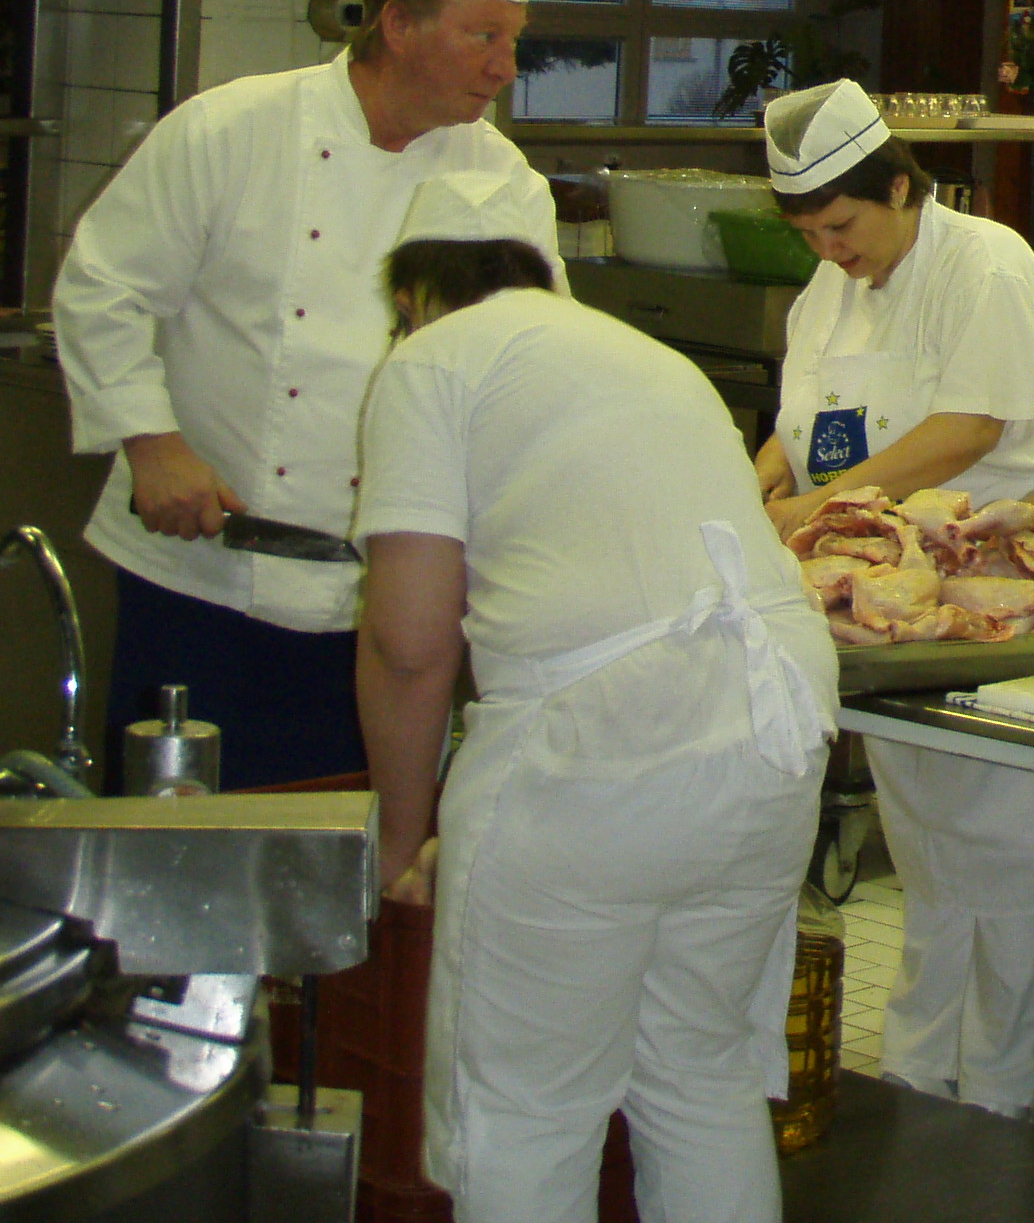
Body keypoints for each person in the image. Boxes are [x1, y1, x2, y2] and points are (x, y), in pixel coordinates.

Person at [353, 172, 837, 1223]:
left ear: (413, 297)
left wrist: (401, 840)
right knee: (701, 1075)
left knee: (525, 1109)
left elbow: (407, 643)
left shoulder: (431, 360)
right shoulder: (644, 356)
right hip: (771, 727)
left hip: (599, 744)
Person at [54, 0, 561, 788]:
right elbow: (102, 287)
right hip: (199, 580)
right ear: (399, 24)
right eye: (483, 36)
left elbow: (533, 373)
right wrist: (151, 443)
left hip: (382, 599)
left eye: (514, 38)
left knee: (348, 850)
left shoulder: (505, 184)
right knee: (178, 850)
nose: (506, 68)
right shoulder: (232, 131)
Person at [749, 78, 1034, 1118]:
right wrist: (759, 486)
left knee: (1005, 859)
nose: (829, 250)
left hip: (993, 589)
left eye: (841, 226)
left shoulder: (986, 263)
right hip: (887, 596)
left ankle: (997, 1099)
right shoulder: (828, 289)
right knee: (929, 853)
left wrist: (818, 506)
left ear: (899, 187)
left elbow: (969, 429)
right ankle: (917, 1080)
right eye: (809, 234)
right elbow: (799, 421)